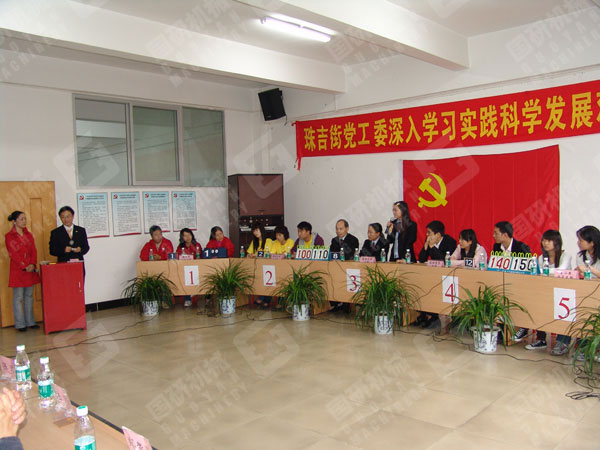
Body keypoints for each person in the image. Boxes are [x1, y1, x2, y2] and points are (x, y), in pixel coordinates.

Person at [520, 230, 574, 352]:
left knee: (565, 312)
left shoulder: (566, 255)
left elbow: (561, 270)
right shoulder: (541, 257)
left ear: (557, 242)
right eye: (544, 240)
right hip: (546, 290)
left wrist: (542, 271)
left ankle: (563, 342)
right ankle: (541, 339)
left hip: (564, 293)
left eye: (549, 240)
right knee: (536, 304)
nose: (545, 243)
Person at [5, 211, 40, 332]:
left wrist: (32, 264)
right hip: (18, 270)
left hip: (30, 269)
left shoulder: (28, 234)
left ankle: (31, 321)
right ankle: (20, 324)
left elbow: (34, 250)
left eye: (25, 219)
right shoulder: (9, 236)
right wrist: (24, 266)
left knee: (29, 296)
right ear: (14, 221)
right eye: (21, 219)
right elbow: (13, 253)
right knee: (18, 297)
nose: (24, 221)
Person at [176, 228, 201, 308]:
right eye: (185, 236)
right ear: (182, 237)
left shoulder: (197, 245)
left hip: (196, 268)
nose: (188, 237)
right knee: (185, 278)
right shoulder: (180, 247)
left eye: (189, 235)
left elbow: (200, 257)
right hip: (184, 269)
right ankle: (187, 298)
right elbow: (177, 258)